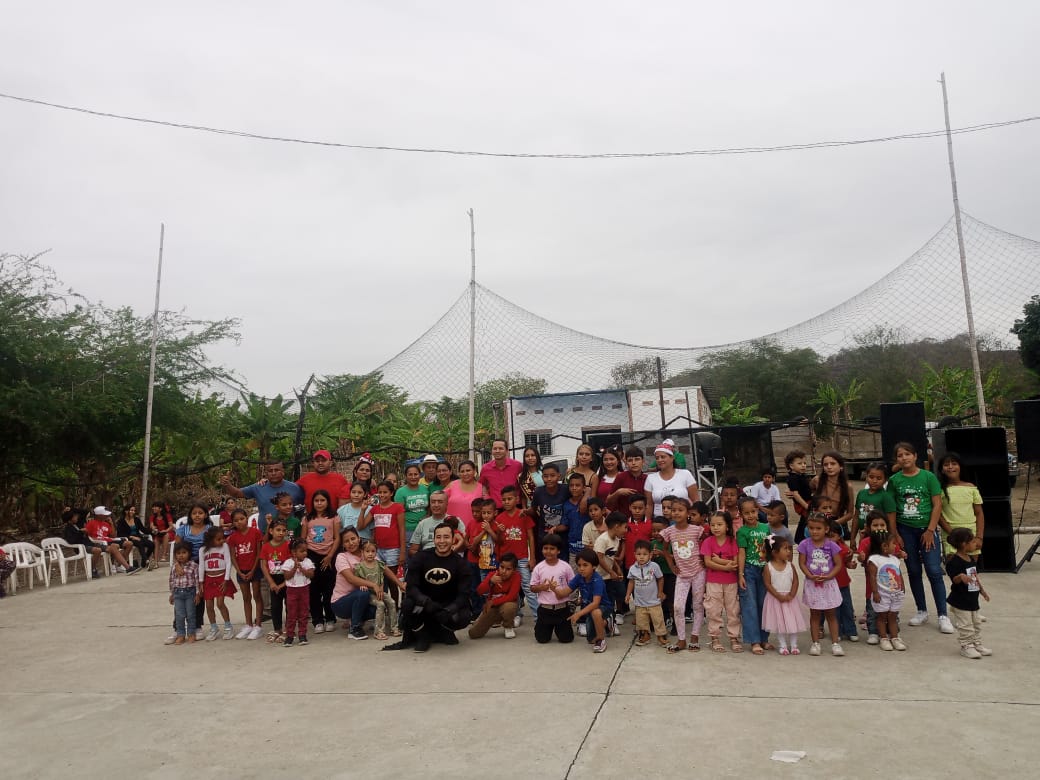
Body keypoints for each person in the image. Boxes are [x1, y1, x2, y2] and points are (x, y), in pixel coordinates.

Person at [886, 441, 953, 635]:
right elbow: (891, 509)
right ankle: (921, 610)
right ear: (896, 460)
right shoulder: (894, 481)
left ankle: (943, 614)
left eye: (907, 454)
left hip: (926, 530)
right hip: (905, 531)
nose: (904, 458)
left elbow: (937, 505)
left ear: (915, 456)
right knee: (914, 571)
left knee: (934, 570)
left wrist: (931, 530)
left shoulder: (928, 477)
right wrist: (895, 534)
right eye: (900, 455)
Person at [383, 524, 472, 653]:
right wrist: (425, 601)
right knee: (408, 605)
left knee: (463, 615)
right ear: (433, 539)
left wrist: (450, 610)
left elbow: (464, 594)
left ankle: (443, 630)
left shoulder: (461, 563)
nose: (442, 541)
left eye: (446, 537)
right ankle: (422, 635)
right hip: (424, 603)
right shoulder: (421, 557)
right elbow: (411, 586)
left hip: (446, 604)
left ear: (453, 539)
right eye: (438, 537)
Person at [658, 497, 705, 653]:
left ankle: (695, 637)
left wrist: (705, 560)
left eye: (680, 510)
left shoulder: (697, 530)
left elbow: (706, 545)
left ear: (688, 513)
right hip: (682, 575)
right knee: (678, 606)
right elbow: (665, 549)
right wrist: (671, 565)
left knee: (697, 605)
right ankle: (681, 639)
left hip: (698, 572)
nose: (676, 513)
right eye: (674, 510)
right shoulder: (669, 531)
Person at [797, 512, 845, 657]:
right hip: (812, 584)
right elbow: (802, 563)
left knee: (831, 614)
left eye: (818, 528)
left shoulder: (832, 545)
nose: (815, 531)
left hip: (828, 584)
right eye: (811, 528)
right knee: (815, 614)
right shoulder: (804, 544)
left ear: (826, 529)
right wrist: (809, 575)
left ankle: (835, 643)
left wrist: (830, 575)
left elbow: (838, 564)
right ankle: (815, 643)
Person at [552, 548, 613, 654]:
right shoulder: (579, 577)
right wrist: (554, 589)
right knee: (590, 640)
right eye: (579, 565)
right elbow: (564, 593)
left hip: (603, 607)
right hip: (588, 608)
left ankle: (600, 640)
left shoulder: (597, 580)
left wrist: (578, 614)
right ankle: (606, 623)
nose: (581, 568)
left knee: (596, 612)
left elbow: (596, 603)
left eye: (585, 565)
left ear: (594, 566)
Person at [856, 510, 903, 645]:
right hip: (873, 585)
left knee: (891, 609)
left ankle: (891, 631)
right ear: (868, 527)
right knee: (872, 610)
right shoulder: (866, 542)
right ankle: (873, 632)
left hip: (891, 586)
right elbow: (860, 556)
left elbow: (896, 552)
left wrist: (901, 554)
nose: (879, 528)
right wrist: (861, 558)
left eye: (882, 525)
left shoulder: (890, 540)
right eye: (875, 525)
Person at [945, 527, 992, 659]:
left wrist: (982, 590)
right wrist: (960, 577)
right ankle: (966, 646)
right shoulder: (954, 561)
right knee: (965, 625)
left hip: (972, 599)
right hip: (960, 600)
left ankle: (976, 643)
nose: (975, 544)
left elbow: (975, 577)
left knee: (976, 623)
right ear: (963, 544)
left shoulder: (971, 559)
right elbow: (954, 579)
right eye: (972, 542)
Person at [221, 460, 303, 534]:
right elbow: (237, 493)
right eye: (270, 471)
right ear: (266, 473)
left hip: (289, 534)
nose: (273, 473)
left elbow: (304, 505)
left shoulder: (295, 488)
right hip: (265, 534)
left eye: (276, 470)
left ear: (283, 471)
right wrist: (227, 484)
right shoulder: (258, 487)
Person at [492, 486, 535, 625]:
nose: (506, 502)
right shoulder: (499, 518)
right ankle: (516, 614)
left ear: (516, 499)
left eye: (509, 499)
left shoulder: (523, 515)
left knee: (527, 587)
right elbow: (498, 541)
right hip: (506, 562)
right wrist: (499, 532)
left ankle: (539, 616)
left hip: (522, 558)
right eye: (503, 499)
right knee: (510, 589)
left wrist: (532, 558)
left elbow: (531, 537)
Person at [701, 510, 742, 653]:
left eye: (719, 524)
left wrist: (718, 560)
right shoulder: (708, 542)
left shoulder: (732, 542)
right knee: (713, 610)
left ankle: (734, 637)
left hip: (731, 582)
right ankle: (715, 638)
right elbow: (708, 563)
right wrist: (726, 566)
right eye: (712, 525)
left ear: (727, 526)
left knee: (733, 610)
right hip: (713, 581)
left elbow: (735, 563)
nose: (716, 528)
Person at [300, 489, 340, 635]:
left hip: (328, 556)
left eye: (322, 500)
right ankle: (317, 620)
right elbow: (303, 539)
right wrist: (304, 558)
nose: (319, 503)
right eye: (316, 501)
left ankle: (330, 618)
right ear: (312, 503)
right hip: (312, 555)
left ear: (328, 502)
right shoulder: (307, 518)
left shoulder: (334, 517)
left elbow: (337, 538)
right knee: (314, 590)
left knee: (329, 589)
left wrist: (330, 556)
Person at [737, 495, 771, 655]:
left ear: (758, 510)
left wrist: (772, 569)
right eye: (746, 513)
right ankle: (754, 641)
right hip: (749, 571)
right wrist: (741, 574)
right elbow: (741, 553)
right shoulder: (742, 532)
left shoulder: (765, 528)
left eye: (753, 511)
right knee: (749, 605)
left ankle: (764, 638)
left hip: (764, 570)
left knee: (764, 604)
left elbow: (770, 549)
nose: (750, 515)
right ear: (741, 515)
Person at [761, 534, 806, 656]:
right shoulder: (768, 567)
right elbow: (767, 584)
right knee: (779, 623)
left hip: (790, 599)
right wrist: (778, 596)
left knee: (793, 621)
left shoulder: (790, 565)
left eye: (789, 548)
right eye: (785, 549)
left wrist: (792, 594)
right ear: (775, 552)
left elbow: (795, 581)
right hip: (776, 599)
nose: (789, 551)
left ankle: (794, 645)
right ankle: (783, 645)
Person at [173, 503, 212, 639]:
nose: (197, 516)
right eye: (194, 513)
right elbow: (176, 548)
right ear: (190, 515)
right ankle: (178, 628)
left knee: (198, 595)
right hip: (185, 566)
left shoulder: (209, 529)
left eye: (200, 513)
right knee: (180, 596)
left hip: (203, 565)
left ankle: (197, 626)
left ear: (205, 515)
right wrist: (177, 565)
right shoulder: (183, 530)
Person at [329, 527, 377, 640]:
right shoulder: (341, 557)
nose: (351, 543)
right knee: (363, 592)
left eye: (353, 539)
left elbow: (382, 567)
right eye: (346, 541)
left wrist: (400, 584)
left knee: (378, 607)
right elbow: (351, 579)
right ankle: (354, 628)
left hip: (359, 598)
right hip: (341, 603)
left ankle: (356, 619)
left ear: (359, 538)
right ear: (343, 545)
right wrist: (373, 585)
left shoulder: (366, 553)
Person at [529, 534, 576, 644]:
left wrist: (562, 592)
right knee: (542, 639)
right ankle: (543, 627)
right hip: (545, 609)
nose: (548, 551)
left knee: (566, 639)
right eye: (545, 548)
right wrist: (541, 587)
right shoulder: (538, 568)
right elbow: (532, 588)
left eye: (552, 548)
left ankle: (560, 628)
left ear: (558, 551)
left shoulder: (565, 566)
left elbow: (573, 584)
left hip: (562, 609)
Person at [354, 540, 404, 640]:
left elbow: (381, 579)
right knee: (380, 604)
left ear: (376, 552)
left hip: (379, 592)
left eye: (373, 551)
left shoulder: (379, 565)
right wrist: (362, 585)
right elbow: (357, 580)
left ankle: (394, 628)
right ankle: (379, 632)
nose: (370, 554)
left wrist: (381, 588)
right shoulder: (360, 567)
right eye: (367, 551)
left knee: (392, 602)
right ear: (362, 552)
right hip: (369, 594)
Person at [866, 529, 907, 651]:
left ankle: (894, 637)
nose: (895, 546)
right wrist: (875, 592)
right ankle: (883, 638)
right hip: (882, 593)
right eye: (893, 543)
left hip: (896, 593)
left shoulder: (894, 559)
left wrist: (902, 587)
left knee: (893, 616)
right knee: (882, 616)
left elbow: (899, 574)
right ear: (884, 546)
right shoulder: (874, 559)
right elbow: (872, 577)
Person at [227, 508, 265, 640]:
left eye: (242, 519)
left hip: (255, 569)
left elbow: (259, 553)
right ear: (232, 522)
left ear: (247, 518)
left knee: (257, 596)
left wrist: (253, 570)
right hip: (241, 571)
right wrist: (239, 572)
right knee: (246, 597)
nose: (239, 522)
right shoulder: (232, 537)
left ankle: (258, 625)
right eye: (236, 520)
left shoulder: (255, 532)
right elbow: (233, 556)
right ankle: (248, 624)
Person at [938, 452, 985, 557]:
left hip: (971, 535)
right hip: (951, 535)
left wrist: (979, 537)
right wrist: (953, 534)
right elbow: (938, 515)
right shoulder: (939, 490)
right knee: (954, 565)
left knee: (971, 566)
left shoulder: (971, 488)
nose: (950, 467)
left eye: (954, 464)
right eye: (946, 465)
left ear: (960, 467)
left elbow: (979, 513)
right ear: (942, 470)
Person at [469, 553, 522, 640]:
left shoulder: (517, 576)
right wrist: (490, 582)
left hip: (504, 604)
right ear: (498, 566)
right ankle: (496, 619)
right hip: (492, 608)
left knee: (509, 607)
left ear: (514, 570)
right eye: (502, 567)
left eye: (508, 569)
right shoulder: (492, 575)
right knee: (473, 634)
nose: (504, 571)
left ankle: (508, 626)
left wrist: (493, 602)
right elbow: (479, 591)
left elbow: (511, 596)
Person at [625, 539, 668, 647]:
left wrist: (660, 591)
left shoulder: (654, 566)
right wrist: (628, 594)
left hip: (654, 601)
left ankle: (661, 636)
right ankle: (645, 636)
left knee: (658, 620)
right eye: (639, 554)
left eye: (645, 554)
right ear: (634, 555)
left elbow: (660, 578)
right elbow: (631, 582)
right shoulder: (632, 568)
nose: (641, 557)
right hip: (640, 602)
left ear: (650, 555)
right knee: (641, 621)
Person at [198, 526, 237, 641]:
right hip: (208, 579)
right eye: (218, 539)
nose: (222, 541)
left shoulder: (224, 547)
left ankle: (228, 627)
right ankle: (213, 628)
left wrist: (226, 579)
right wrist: (201, 582)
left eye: (223, 538)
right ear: (210, 540)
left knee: (220, 603)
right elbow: (201, 566)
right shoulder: (203, 550)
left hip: (221, 578)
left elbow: (228, 563)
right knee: (209, 605)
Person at [644, 440, 698, 518]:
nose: (659, 460)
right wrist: (648, 522)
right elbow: (649, 505)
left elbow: (695, 500)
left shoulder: (685, 474)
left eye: (663, 457)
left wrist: (695, 519)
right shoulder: (651, 478)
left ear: (672, 458)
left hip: (682, 520)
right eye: (657, 458)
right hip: (660, 522)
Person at [810, 451, 856, 540]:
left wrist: (834, 523)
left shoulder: (847, 487)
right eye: (825, 464)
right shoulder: (817, 481)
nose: (829, 467)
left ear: (841, 466)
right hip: (817, 522)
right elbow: (807, 492)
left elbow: (850, 513)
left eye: (833, 464)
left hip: (837, 523)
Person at [825, 519, 859, 642]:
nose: (830, 539)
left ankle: (851, 631)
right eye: (827, 536)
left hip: (843, 583)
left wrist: (851, 564)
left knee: (847, 607)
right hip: (829, 584)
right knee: (834, 609)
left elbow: (846, 563)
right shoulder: (821, 549)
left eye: (832, 536)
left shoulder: (843, 549)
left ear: (839, 536)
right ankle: (837, 631)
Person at [371, 481, 406, 597]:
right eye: (380, 492)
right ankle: (385, 603)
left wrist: (402, 551)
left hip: (393, 549)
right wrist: (363, 509)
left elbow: (402, 529)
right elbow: (361, 525)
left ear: (391, 493)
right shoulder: (375, 509)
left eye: (385, 492)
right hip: (378, 549)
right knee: (380, 580)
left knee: (392, 580)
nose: (382, 495)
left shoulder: (397, 507)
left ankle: (395, 606)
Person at [259, 519, 292, 644]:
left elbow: (292, 565)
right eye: (278, 530)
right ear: (271, 531)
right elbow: (263, 566)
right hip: (273, 580)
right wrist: (271, 583)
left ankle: (288, 630)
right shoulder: (266, 547)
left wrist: (284, 583)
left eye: (284, 530)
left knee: (289, 605)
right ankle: (277, 629)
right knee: (275, 606)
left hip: (287, 580)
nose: (281, 533)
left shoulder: (288, 545)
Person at [61, 509, 117, 579]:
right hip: (81, 547)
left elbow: (85, 512)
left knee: (111, 548)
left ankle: (111, 566)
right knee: (98, 550)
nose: (76, 517)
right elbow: (71, 541)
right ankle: (92, 569)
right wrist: (81, 532)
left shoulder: (78, 524)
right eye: (74, 517)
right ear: (70, 519)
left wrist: (72, 508)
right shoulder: (68, 529)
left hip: (89, 543)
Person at [530, 463, 569, 559]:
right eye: (546, 476)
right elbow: (533, 510)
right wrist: (525, 512)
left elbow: (585, 490)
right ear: (542, 477)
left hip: (563, 535)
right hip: (545, 535)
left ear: (559, 476)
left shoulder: (565, 489)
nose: (549, 479)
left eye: (552, 475)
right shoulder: (538, 491)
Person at [280, 539, 315, 646]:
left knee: (303, 613)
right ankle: (289, 636)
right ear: (294, 552)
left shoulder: (308, 562)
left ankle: (302, 635)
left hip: (304, 590)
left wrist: (303, 569)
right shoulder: (288, 563)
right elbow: (286, 577)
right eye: (302, 551)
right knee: (291, 614)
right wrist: (294, 568)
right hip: (292, 591)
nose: (305, 553)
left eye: (306, 550)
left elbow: (311, 575)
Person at [86, 506, 138, 574]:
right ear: (99, 515)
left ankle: (120, 565)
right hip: (100, 542)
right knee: (115, 546)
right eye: (105, 514)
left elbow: (113, 536)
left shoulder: (106, 524)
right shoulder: (91, 523)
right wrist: (96, 540)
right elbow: (88, 536)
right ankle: (127, 567)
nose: (107, 516)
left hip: (109, 540)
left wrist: (111, 523)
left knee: (129, 543)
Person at [855, 462, 898, 544]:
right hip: (863, 536)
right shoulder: (861, 493)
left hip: (880, 539)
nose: (874, 481)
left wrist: (891, 541)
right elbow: (856, 517)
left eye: (879, 478)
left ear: (885, 480)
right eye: (871, 477)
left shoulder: (886, 497)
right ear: (866, 477)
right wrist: (853, 539)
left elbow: (891, 523)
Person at [165, 542, 199, 645]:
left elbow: (197, 581)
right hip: (178, 593)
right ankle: (180, 635)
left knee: (190, 614)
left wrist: (198, 594)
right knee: (179, 615)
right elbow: (171, 580)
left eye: (184, 552)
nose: (181, 555)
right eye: (178, 553)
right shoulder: (174, 567)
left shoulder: (194, 566)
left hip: (190, 593)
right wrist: (172, 594)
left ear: (189, 553)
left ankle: (191, 633)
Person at [479, 439, 523, 508]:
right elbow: (482, 486)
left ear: (507, 451)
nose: (497, 451)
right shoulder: (485, 468)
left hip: (516, 507)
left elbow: (523, 485)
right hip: (496, 508)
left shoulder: (517, 466)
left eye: (500, 448)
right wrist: (487, 499)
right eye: (495, 448)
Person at [396, 464, 431, 550]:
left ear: (420, 475)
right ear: (406, 476)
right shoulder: (400, 492)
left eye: (416, 474)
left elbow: (430, 506)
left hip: (425, 528)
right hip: (408, 530)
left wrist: (427, 515)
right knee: (411, 554)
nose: (413, 477)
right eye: (410, 474)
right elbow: (398, 514)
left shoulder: (425, 489)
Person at [650, 516, 676, 631]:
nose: (656, 533)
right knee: (659, 599)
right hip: (657, 576)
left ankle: (676, 624)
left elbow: (676, 557)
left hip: (670, 574)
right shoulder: (652, 543)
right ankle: (663, 619)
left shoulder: (672, 543)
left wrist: (663, 554)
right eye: (654, 530)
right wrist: (651, 556)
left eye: (659, 530)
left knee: (671, 601)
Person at [607, 447, 648, 517]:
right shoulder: (621, 477)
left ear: (643, 461)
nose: (634, 463)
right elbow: (608, 501)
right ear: (626, 463)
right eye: (630, 460)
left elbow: (650, 503)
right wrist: (618, 492)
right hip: (624, 519)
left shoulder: (647, 479)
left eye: (637, 459)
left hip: (643, 519)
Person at [409, 490, 451, 555]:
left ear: (447, 504)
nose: (436, 505)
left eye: (440, 502)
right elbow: (412, 550)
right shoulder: (422, 524)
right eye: (433, 502)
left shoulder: (455, 521)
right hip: (427, 557)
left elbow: (463, 546)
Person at [784, 450, 813, 540]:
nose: (803, 465)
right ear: (791, 466)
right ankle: (800, 538)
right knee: (806, 520)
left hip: (808, 501)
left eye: (804, 463)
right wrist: (806, 506)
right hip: (803, 503)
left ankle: (801, 538)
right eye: (800, 463)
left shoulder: (802, 475)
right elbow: (795, 494)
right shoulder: (793, 478)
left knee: (806, 520)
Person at [118, 505, 155, 570]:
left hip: (138, 537)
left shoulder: (136, 519)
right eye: (131, 510)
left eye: (134, 511)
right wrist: (131, 537)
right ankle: (146, 561)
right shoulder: (121, 521)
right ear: (126, 511)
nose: (133, 512)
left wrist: (152, 531)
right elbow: (120, 534)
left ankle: (144, 561)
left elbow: (143, 529)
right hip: (129, 539)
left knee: (151, 544)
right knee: (140, 543)